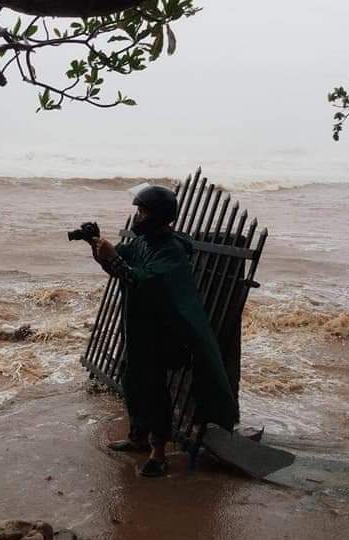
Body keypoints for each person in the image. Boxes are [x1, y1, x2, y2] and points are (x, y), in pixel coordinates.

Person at [88, 185, 238, 477]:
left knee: (155, 389)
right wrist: (98, 249)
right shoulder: (143, 243)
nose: (137, 217)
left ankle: (159, 453)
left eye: (142, 212)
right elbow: (118, 267)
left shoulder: (171, 251)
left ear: (158, 217)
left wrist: (113, 258)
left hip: (159, 332)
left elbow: (140, 280)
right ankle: (138, 437)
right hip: (136, 326)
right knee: (133, 381)